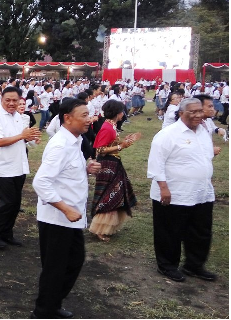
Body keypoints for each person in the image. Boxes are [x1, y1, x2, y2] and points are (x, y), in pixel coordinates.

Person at [31, 98, 101, 319]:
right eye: (83, 115)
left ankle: (51, 305)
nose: (89, 119)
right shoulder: (60, 145)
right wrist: (65, 209)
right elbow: (40, 182)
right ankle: (43, 312)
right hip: (57, 218)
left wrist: (86, 169)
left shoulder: (75, 141)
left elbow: (66, 174)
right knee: (55, 268)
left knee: (73, 262)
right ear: (67, 118)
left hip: (71, 217)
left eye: (88, 114)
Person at [147, 98, 217, 283]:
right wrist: (164, 188)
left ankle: (194, 265)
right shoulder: (168, 134)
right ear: (180, 114)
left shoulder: (203, 131)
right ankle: (167, 266)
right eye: (192, 112)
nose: (197, 115)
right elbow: (156, 164)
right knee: (170, 232)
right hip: (174, 193)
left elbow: (206, 158)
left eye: (199, 111)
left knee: (200, 231)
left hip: (201, 193)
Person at [0, 86, 41, 249]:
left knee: (15, 203)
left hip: (19, 165)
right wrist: (22, 136)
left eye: (15, 100)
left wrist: (30, 138)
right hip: (4, 166)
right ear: (1, 100)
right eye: (7, 100)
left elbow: (20, 138)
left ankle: (6, 233)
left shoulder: (18, 117)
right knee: (7, 202)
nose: (11, 103)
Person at [89, 100, 140, 241]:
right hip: (108, 164)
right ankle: (100, 228)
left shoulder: (111, 125)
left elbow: (110, 143)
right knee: (108, 194)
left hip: (113, 163)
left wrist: (124, 142)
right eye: (122, 111)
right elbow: (100, 149)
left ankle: (107, 227)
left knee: (115, 193)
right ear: (118, 113)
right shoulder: (107, 127)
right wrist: (120, 146)